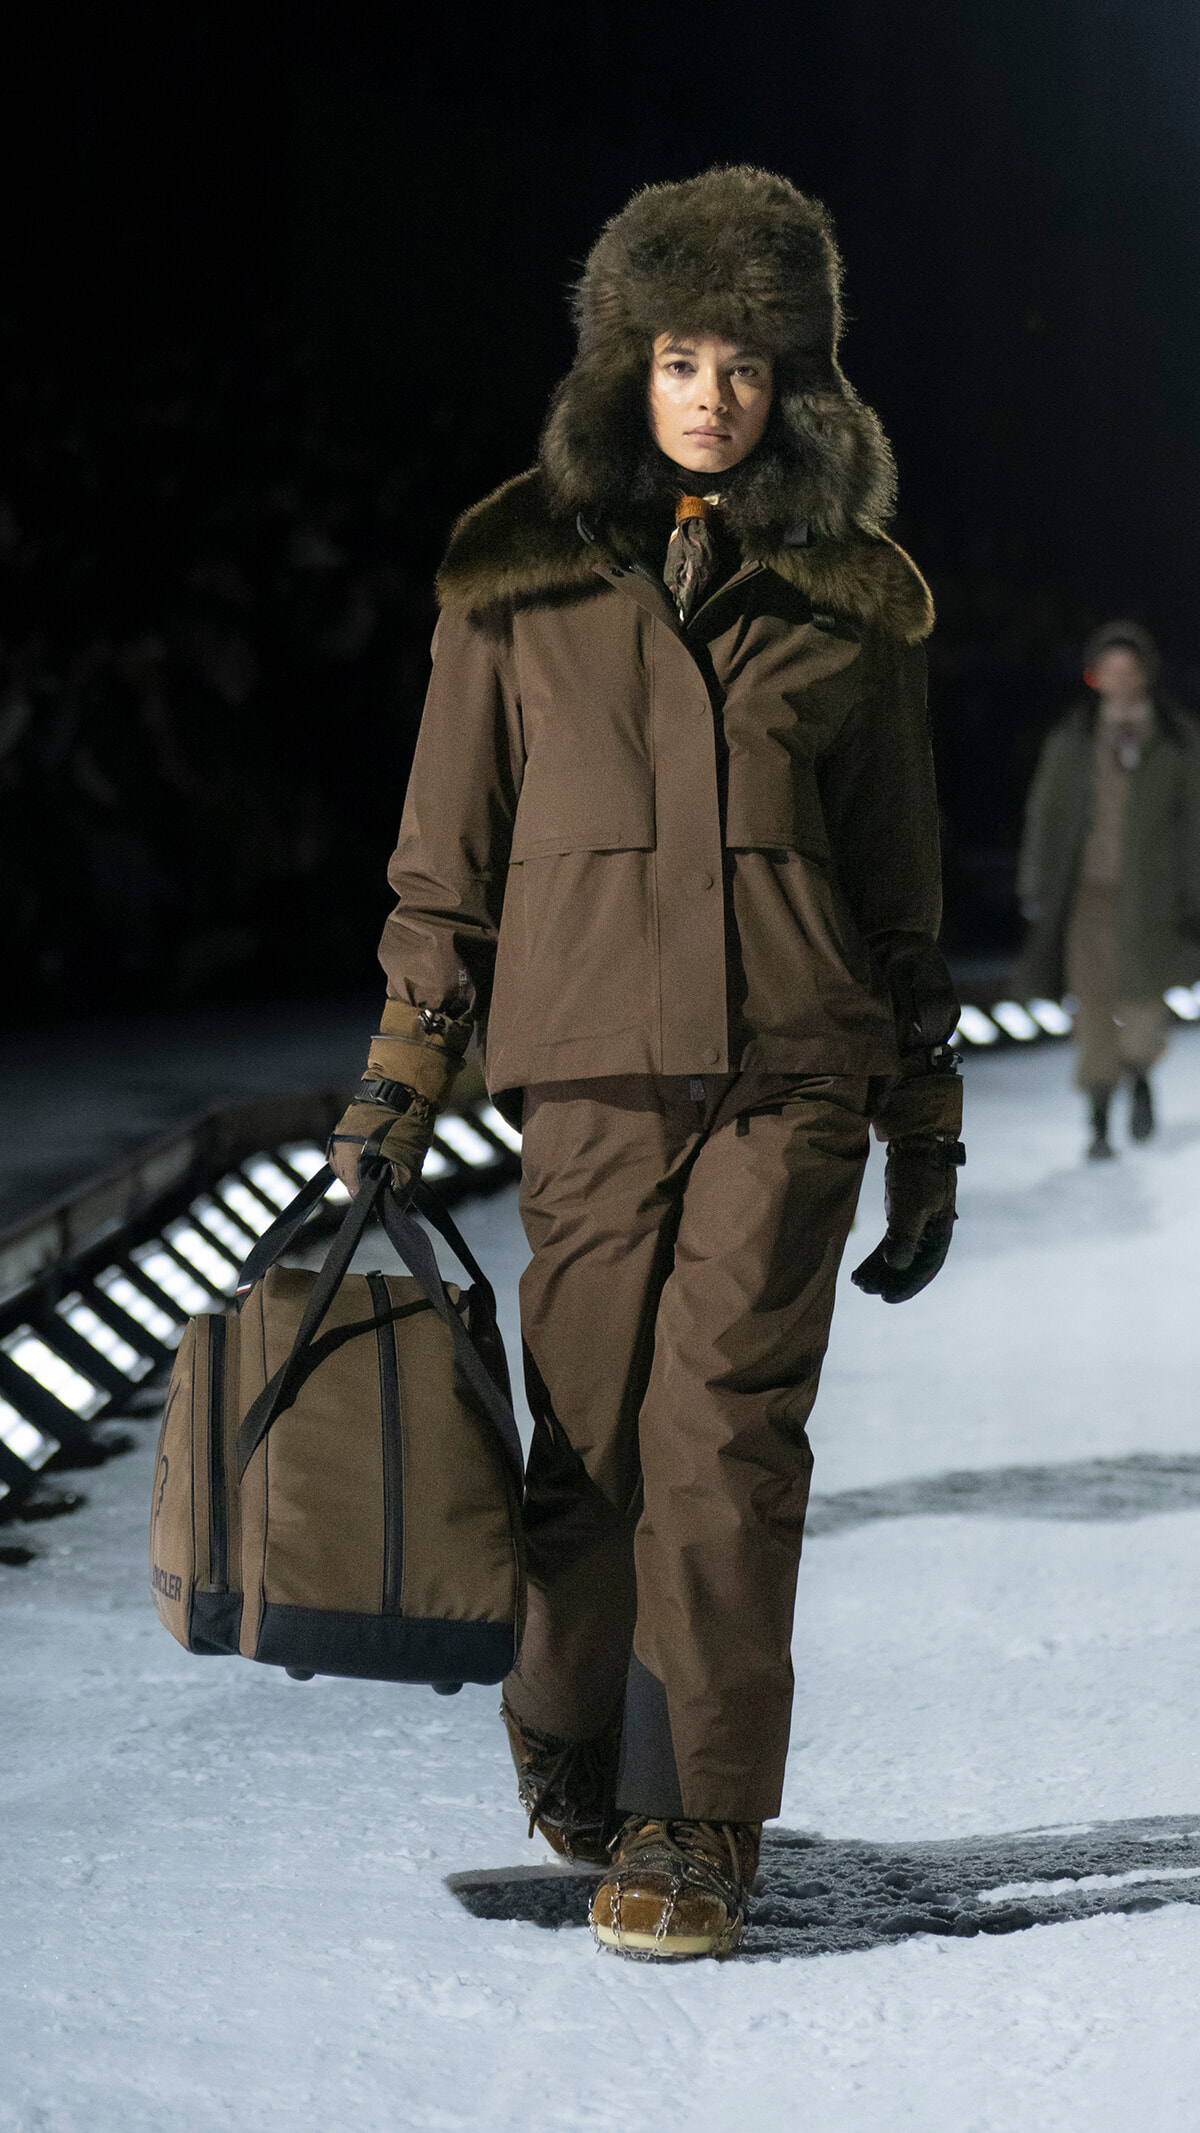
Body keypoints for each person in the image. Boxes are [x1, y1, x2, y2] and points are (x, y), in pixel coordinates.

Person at [329, 166, 963, 1961]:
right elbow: (444, 859)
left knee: (724, 1439)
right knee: (585, 1442)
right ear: (628, 360)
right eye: (682, 352)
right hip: (592, 1070)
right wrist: (399, 1075)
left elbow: (902, 889)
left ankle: (699, 1814)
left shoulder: (856, 594)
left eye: (749, 362)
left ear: (796, 383)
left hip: (793, 1067)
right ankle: (576, 1734)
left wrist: (923, 1118)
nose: (712, 390)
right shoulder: (513, 573)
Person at [1015, 620, 1200, 1159]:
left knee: (1142, 998)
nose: (1119, 679)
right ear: (1095, 676)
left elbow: (1194, 821)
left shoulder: (1176, 738)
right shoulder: (1072, 736)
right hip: (1086, 893)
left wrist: (1193, 892)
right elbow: (1045, 812)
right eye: (1109, 669)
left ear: (1144, 674)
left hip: (1152, 894)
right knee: (1091, 1003)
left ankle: (1139, 1074)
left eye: (1129, 668)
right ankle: (1098, 1114)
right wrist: (1037, 881)